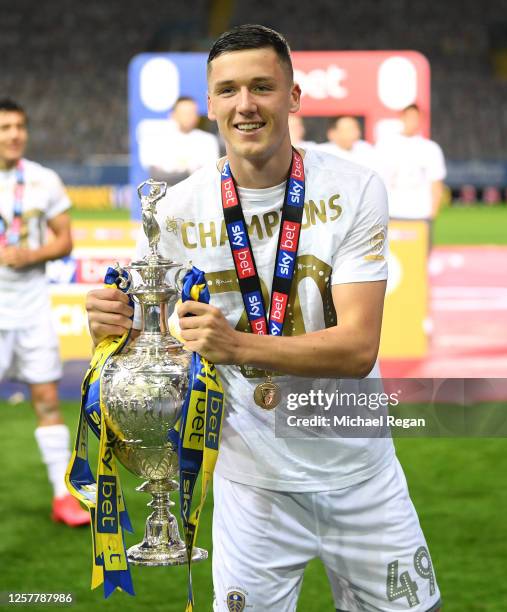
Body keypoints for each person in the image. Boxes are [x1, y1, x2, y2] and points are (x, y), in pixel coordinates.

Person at [86, 26, 441, 611]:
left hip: (361, 474)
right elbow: (153, 346)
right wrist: (110, 327)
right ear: (210, 105)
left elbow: (357, 350)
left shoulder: (354, 189)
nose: (244, 105)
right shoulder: (175, 212)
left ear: (294, 97)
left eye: (261, 87)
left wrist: (238, 345)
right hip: (252, 488)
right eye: (227, 91)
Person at [0, 99, 89, 527]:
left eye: (19, 126)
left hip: (32, 307)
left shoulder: (42, 179)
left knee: (48, 402)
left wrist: (30, 254)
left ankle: (62, 497)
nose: (14, 134)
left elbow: (65, 240)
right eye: (4, 127)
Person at [376, 104, 446, 222]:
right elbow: (377, 180)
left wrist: (433, 212)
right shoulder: (385, 145)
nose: (412, 122)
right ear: (402, 118)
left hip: (420, 212)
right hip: (392, 212)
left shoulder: (431, 148)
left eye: (416, 118)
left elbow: (436, 182)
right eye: (409, 117)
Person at [146, 95, 220, 185]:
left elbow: (210, 174)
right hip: (168, 196)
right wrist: (189, 172)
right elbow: (156, 175)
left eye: (192, 112)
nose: (189, 116)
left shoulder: (208, 140)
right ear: (173, 115)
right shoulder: (159, 140)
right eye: (184, 113)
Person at [318, 115, 383, 173]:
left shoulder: (365, 148)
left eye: (355, 128)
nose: (354, 132)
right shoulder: (321, 152)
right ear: (332, 134)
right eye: (348, 129)